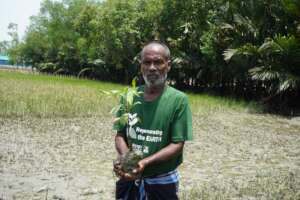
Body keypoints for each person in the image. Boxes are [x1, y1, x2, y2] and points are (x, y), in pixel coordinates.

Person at [113, 41, 193, 200]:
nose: (152, 67)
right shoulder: (129, 97)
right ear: (141, 66)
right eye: (147, 62)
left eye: (158, 62)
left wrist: (145, 163)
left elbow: (177, 144)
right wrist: (125, 159)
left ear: (168, 65)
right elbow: (120, 135)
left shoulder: (178, 100)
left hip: (161, 182)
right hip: (129, 179)